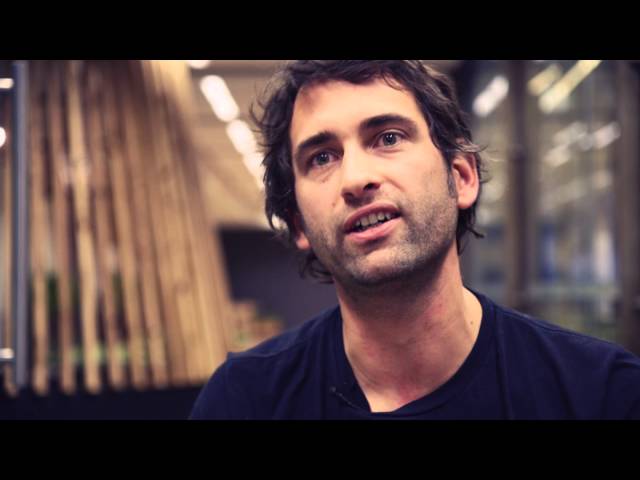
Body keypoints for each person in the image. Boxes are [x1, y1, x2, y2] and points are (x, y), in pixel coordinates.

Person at [190, 60, 640, 419]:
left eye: (388, 137)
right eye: (322, 157)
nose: (356, 178)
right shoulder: (243, 401)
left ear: (461, 177)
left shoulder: (603, 394)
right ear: (299, 225)